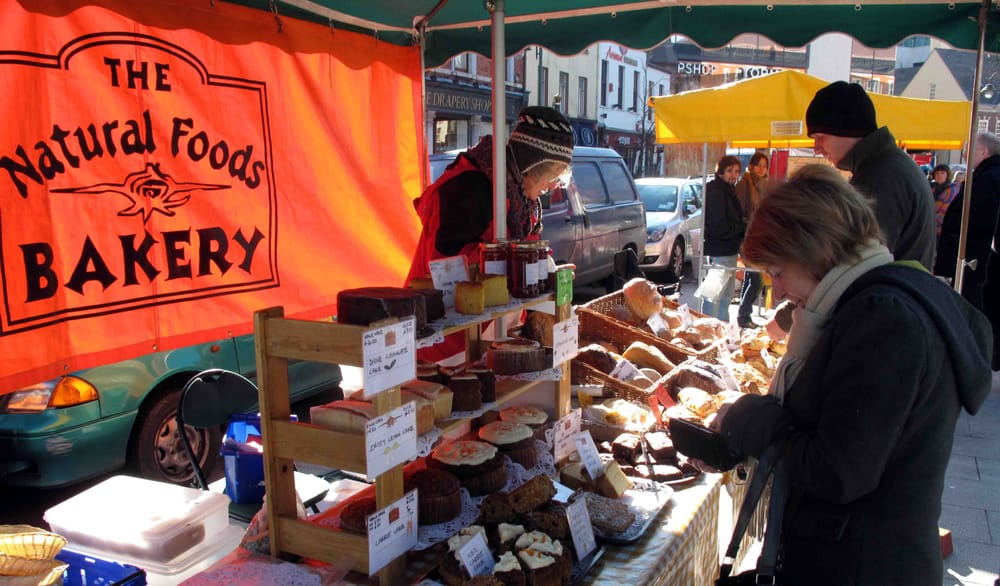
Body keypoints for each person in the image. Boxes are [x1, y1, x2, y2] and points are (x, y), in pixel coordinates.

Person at [718, 164, 993, 586]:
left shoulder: (883, 318)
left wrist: (751, 418)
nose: (779, 290)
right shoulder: (882, 298)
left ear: (814, 248)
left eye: (778, 272)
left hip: (863, 565)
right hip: (868, 558)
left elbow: (838, 471)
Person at [408, 106, 575, 283]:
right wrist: (523, 267)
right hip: (441, 307)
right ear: (530, 166)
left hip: (498, 310)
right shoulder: (469, 187)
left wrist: (545, 272)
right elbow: (445, 268)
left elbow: (527, 247)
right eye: (552, 176)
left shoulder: (519, 198)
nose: (552, 186)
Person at [806, 80, 936, 269]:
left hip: (889, 293)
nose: (816, 148)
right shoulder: (888, 164)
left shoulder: (880, 177)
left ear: (845, 128)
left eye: (820, 137)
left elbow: (859, 262)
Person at [935, 132, 1000, 312]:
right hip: (974, 267)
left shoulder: (987, 180)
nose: (965, 154)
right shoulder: (984, 177)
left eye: (969, 149)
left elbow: (979, 223)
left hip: (975, 269)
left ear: (984, 152)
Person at [701, 155, 745, 322]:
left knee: (726, 295)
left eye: (736, 171)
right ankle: (709, 327)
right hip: (720, 249)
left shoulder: (727, 189)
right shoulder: (717, 191)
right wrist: (742, 227)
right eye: (729, 171)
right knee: (714, 295)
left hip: (728, 248)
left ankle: (722, 329)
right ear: (720, 171)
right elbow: (718, 226)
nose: (733, 175)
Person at [734, 152, 769, 328]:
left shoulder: (760, 185)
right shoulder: (745, 185)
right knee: (756, 280)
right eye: (759, 165)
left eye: (764, 166)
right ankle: (743, 315)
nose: (762, 169)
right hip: (747, 237)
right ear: (751, 166)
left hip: (756, 236)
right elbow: (740, 212)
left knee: (751, 277)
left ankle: (744, 316)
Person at [930, 163, 961, 236]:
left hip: (942, 229)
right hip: (931, 228)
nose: (939, 175)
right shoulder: (933, 188)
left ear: (947, 175)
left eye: (942, 173)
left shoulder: (952, 189)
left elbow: (945, 211)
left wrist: (930, 223)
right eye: (937, 173)